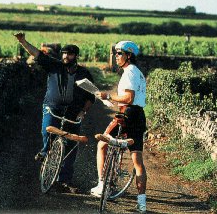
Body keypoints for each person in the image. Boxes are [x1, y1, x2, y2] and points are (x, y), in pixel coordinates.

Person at [14, 32, 95, 193]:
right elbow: (36, 53)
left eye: (69, 54)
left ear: (76, 56)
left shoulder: (84, 74)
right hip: (53, 107)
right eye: (64, 53)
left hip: (73, 113)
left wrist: (83, 112)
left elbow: (91, 96)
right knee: (48, 130)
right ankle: (45, 151)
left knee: (72, 145)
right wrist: (23, 41)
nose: (66, 56)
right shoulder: (54, 66)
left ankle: (64, 180)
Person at [91, 41, 147, 213]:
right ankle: (142, 203)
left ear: (128, 55)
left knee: (102, 144)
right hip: (139, 116)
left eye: (119, 53)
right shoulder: (137, 72)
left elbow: (128, 98)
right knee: (137, 160)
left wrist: (107, 95)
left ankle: (101, 184)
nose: (116, 56)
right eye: (115, 53)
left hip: (127, 114)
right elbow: (132, 99)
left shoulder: (129, 72)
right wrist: (111, 100)